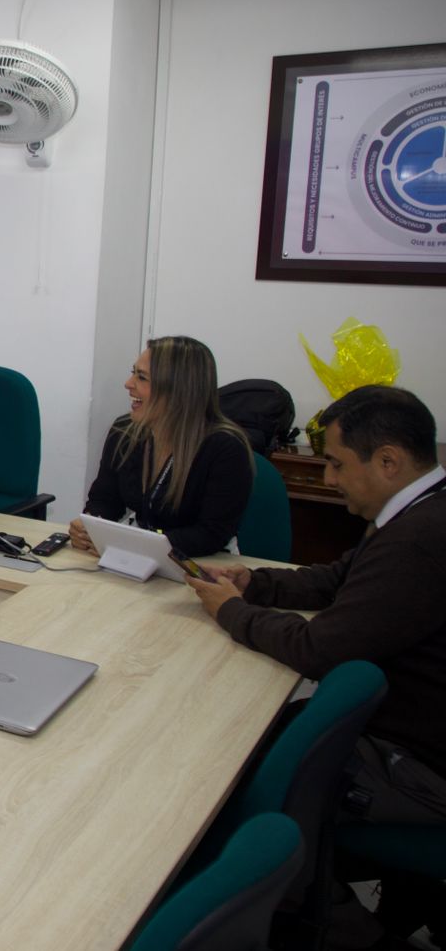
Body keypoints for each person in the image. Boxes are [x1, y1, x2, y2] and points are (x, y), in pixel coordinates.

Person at [185, 385, 446, 943]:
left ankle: (305, 916)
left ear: (389, 461)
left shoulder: (420, 540)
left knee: (238, 764)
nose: (327, 479)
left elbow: (317, 648)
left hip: (422, 764)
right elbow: (336, 579)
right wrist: (255, 583)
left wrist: (232, 612)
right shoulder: (421, 508)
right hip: (407, 730)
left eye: (335, 463)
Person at [69, 336, 252, 559]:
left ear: (178, 390)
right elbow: (105, 500)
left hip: (201, 562)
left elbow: (211, 534)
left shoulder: (225, 448)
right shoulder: (124, 431)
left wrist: (132, 544)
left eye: (142, 377)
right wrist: (89, 525)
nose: (128, 383)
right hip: (135, 554)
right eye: (133, 372)